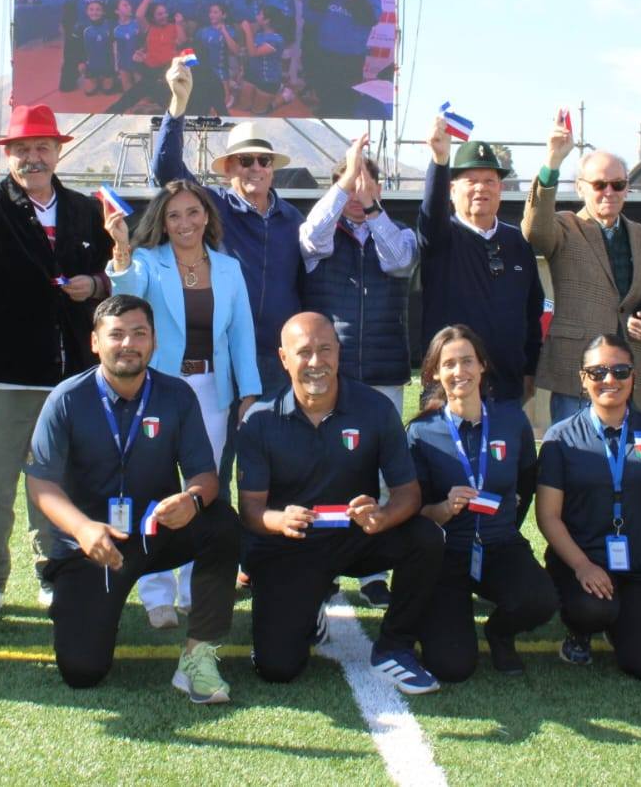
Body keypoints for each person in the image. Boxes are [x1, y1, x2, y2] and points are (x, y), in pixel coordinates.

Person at [24, 295, 240, 702]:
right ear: (95, 342)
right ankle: (78, 606)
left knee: (222, 522)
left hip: (154, 533)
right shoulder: (67, 398)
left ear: (154, 341)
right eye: (116, 335)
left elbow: (205, 477)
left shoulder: (175, 395)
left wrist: (191, 500)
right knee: (82, 672)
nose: (128, 344)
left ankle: (199, 656)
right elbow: (41, 484)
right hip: (92, 547)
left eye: (139, 334)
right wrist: (82, 528)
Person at [0, 105, 113, 622]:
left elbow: (115, 270)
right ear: (7, 155)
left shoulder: (86, 210)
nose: (33, 157)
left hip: (71, 375)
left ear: (59, 151)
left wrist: (98, 286)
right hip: (3, 369)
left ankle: (54, 571)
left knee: (61, 482)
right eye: (21, 149)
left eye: (42, 147)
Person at [236, 313, 445, 694]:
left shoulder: (375, 408)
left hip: (356, 535)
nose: (316, 362)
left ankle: (395, 646)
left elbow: (408, 494)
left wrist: (382, 517)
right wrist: (279, 520)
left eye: (325, 350)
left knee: (426, 536)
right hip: (291, 544)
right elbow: (249, 510)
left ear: (339, 352)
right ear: (284, 358)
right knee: (277, 668)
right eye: (304, 353)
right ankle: (309, 603)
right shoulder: (260, 419)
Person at [104, 180, 261, 625]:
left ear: (207, 216)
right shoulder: (149, 262)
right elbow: (126, 290)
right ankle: (156, 594)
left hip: (214, 391)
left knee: (202, 488)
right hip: (159, 388)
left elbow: (242, 334)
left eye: (193, 213)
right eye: (174, 215)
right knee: (152, 484)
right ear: (162, 222)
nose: (185, 223)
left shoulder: (229, 268)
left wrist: (248, 392)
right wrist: (120, 248)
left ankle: (195, 586)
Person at [301, 132, 418, 609]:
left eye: (367, 185)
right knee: (327, 471)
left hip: (386, 373)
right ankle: (324, 568)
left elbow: (401, 261)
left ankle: (372, 571)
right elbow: (312, 234)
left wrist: (373, 209)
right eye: (348, 187)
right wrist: (347, 177)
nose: (357, 194)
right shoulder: (320, 238)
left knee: (382, 475)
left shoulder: (400, 232)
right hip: (333, 373)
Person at [536, 334, 641, 680]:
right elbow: (547, 517)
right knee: (593, 608)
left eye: (620, 371)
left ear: (634, 376)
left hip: (639, 564)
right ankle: (581, 630)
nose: (610, 380)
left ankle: (619, 619)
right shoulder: (561, 438)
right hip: (583, 560)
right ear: (583, 379)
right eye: (598, 372)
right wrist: (581, 566)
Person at [408, 326, 556, 680]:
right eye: (449, 364)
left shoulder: (510, 420)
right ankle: (436, 617)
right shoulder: (420, 432)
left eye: (467, 361)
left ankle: (500, 633)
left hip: (499, 544)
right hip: (446, 552)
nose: (460, 372)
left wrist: (502, 522)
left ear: (483, 365)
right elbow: (414, 514)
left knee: (541, 599)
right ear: (434, 374)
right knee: (452, 666)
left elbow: (525, 480)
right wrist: (445, 507)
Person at [155, 61, 304, 398]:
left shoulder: (294, 219)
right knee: (218, 449)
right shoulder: (213, 206)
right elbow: (167, 171)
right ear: (228, 169)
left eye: (263, 161)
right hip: (224, 350)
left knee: (275, 449)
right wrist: (177, 108)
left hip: (280, 355)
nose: (255, 168)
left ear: (272, 170)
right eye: (245, 160)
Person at [525, 123, 641, 425]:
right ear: (581, 187)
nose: (609, 192)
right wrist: (552, 163)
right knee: (577, 461)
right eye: (599, 185)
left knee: (637, 464)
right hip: (577, 377)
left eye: (618, 185)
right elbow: (534, 230)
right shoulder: (565, 228)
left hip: (635, 377)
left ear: (627, 189)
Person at [418, 118, 544, 406]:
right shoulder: (441, 237)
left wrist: (530, 369)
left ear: (501, 188)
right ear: (451, 189)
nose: (481, 189)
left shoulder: (518, 243)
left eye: (489, 181)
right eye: (471, 181)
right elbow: (431, 212)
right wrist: (439, 160)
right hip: (449, 391)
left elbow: (532, 313)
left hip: (507, 388)